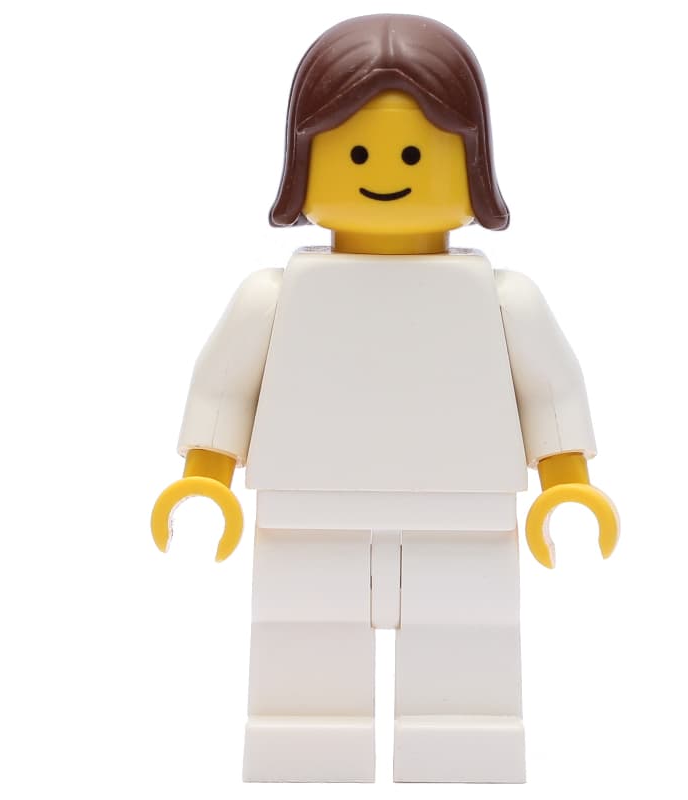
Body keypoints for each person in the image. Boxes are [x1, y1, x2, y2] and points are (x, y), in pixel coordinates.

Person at [151, 13, 618, 784]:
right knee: (302, 638)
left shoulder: (503, 299)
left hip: (467, 513)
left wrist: (567, 486)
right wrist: (205, 479)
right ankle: (305, 738)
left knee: (469, 637)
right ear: (305, 163)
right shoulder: (275, 296)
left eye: (413, 152)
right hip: (306, 511)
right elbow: (225, 386)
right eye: (358, 152)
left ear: (472, 165)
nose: (386, 172)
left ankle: (465, 736)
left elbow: (549, 393)